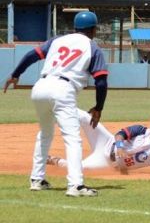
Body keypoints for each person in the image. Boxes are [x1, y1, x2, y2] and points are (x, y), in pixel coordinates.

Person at [3, 11, 108, 196]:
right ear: (93, 29)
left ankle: (37, 179)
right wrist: (98, 107)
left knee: (45, 134)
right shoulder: (92, 47)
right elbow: (101, 80)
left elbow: (31, 55)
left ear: (75, 27)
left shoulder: (57, 40)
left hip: (40, 86)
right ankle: (76, 185)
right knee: (72, 138)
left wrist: (15, 74)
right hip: (62, 89)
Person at [47, 109, 150, 173]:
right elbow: (120, 134)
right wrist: (120, 146)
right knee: (85, 117)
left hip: (106, 161)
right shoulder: (141, 130)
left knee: (77, 169)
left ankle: (52, 160)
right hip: (106, 142)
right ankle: (56, 108)